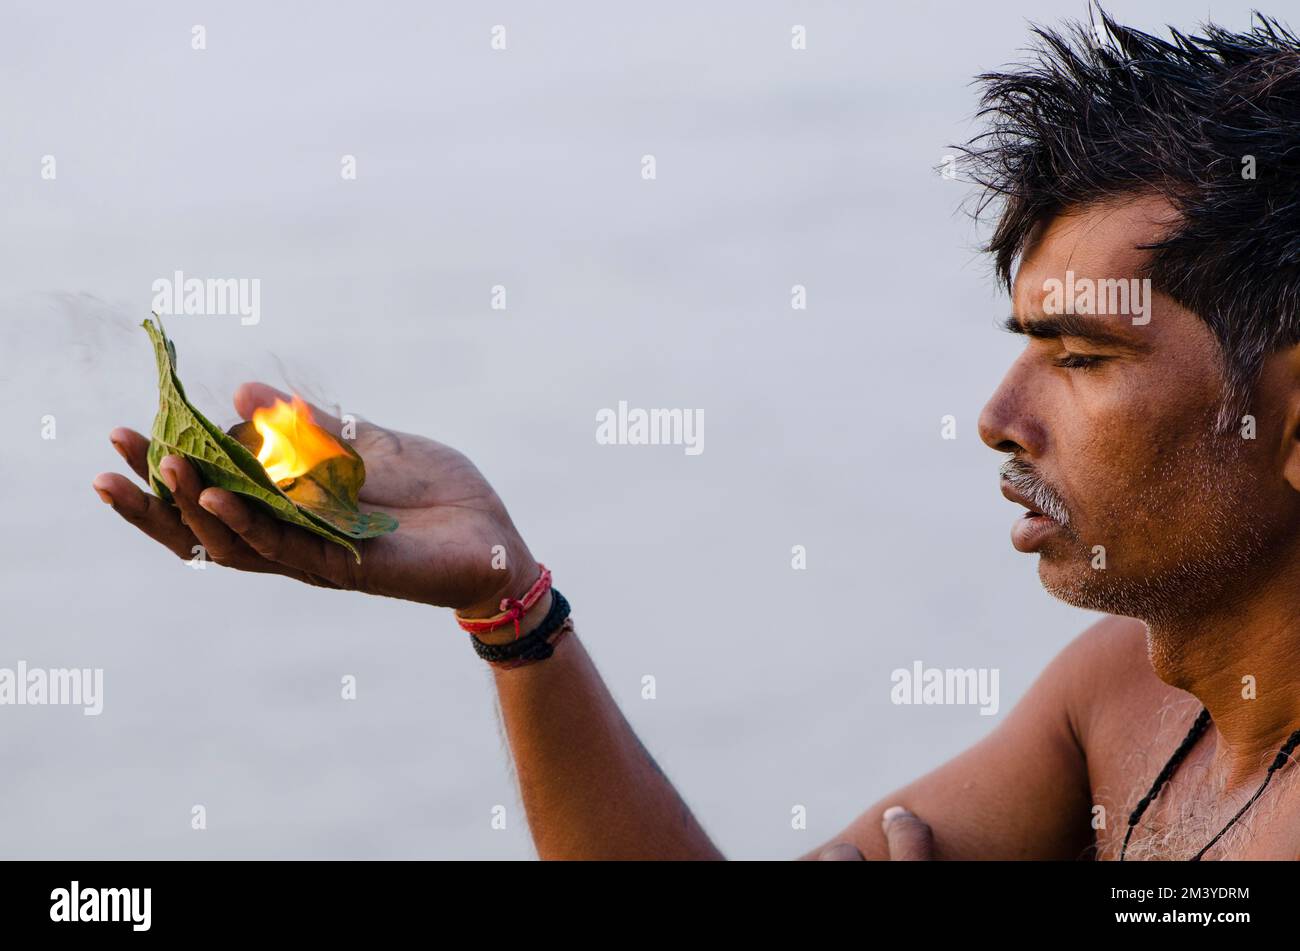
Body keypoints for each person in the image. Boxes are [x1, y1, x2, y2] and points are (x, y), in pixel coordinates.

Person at [94, 11, 1300, 859]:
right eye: (1022, 346)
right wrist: (511, 605)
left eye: (1081, 359)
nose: (998, 419)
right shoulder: (1118, 702)